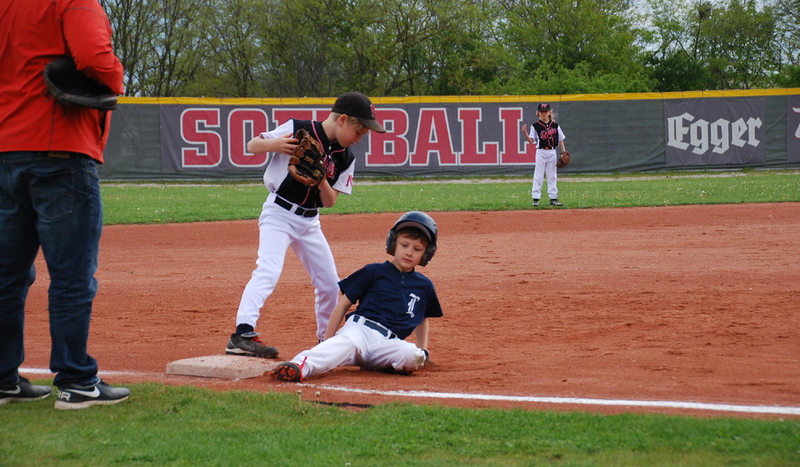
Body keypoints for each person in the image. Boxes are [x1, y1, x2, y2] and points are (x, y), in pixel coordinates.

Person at [0, 0, 130, 409]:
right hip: (60, 149)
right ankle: (76, 381)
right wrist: (116, 76)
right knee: (72, 276)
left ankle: (2, 378)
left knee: (7, 276)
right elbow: (94, 57)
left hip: (6, 149)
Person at [226, 92, 387, 358]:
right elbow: (252, 145)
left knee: (329, 285)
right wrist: (277, 144)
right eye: (359, 132)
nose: (360, 139)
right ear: (343, 120)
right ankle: (241, 334)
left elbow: (330, 200)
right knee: (268, 270)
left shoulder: (346, 157)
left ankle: (327, 341)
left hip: (310, 221)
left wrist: (321, 177)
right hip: (278, 213)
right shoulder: (298, 128)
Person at [271, 211, 443, 382]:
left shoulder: (424, 286)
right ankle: (299, 366)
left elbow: (422, 319)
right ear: (393, 244)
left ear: (426, 254)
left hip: (387, 343)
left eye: (417, 249)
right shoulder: (374, 271)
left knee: (412, 356)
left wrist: (424, 350)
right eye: (404, 245)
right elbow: (343, 305)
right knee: (342, 346)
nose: (409, 252)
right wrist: (327, 339)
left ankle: (377, 364)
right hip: (359, 332)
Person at [521, 103, 568, 207]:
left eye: (545, 111)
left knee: (552, 176)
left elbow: (560, 139)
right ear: (538, 113)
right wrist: (525, 133)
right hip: (541, 152)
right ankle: (536, 199)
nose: (544, 114)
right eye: (542, 112)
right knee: (538, 175)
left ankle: (553, 198)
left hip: (552, 152)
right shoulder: (535, 126)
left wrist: (564, 152)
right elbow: (531, 141)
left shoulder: (555, 125)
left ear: (549, 112)